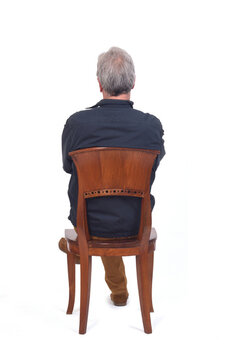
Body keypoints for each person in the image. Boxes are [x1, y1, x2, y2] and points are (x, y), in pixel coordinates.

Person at [59, 47, 165, 306]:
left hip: (88, 225)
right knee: (115, 207)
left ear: (99, 83)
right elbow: (154, 166)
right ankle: (119, 293)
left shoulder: (77, 124)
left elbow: (67, 167)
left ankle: (82, 256)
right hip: (135, 223)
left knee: (98, 208)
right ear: (133, 82)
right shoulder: (151, 126)